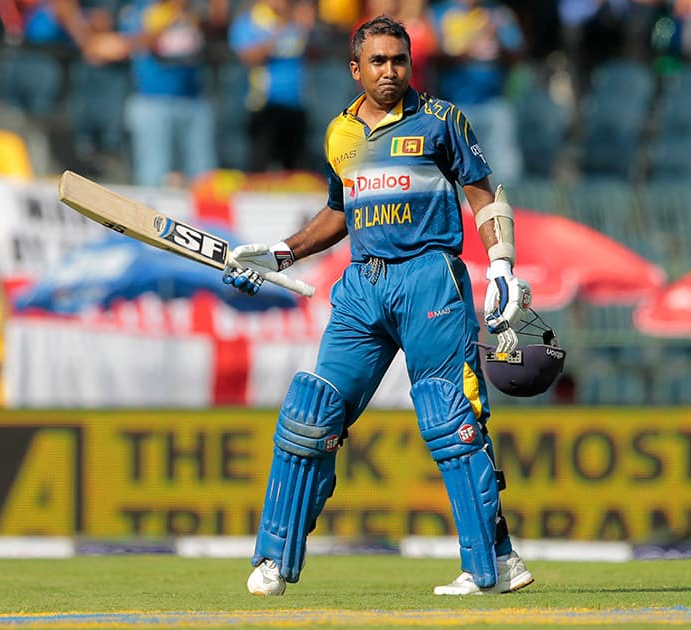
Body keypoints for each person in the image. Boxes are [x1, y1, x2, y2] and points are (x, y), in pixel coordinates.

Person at [222, 14, 535, 597]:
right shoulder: (340, 134)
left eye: (398, 60)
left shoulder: (442, 120)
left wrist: (502, 265)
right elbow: (340, 213)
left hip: (430, 280)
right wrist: (282, 253)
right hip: (362, 287)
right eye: (378, 61)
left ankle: (490, 566)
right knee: (310, 413)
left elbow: (485, 196)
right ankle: (273, 560)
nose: (389, 70)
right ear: (355, 69)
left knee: (450, 417)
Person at [117, 0, 223, 186]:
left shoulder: (194, 10)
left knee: (204, 174)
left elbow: (218, 26)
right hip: (153, 102)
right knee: (153, 173)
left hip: (194, 99)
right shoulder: (141, 9)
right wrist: (172, 14)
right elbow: (138, 43)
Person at [429, 0, 526, 183]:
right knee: (458, 169)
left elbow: (518, 55)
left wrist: (497, 37)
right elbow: (432, 57)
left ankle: (505, 210)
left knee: (506, 169)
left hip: (495, 102)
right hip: (455, 105)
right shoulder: (440, 13)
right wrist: (468, 45)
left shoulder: (499, 13)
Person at [229, 0, 316, 172]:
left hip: (295, 104)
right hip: (263, 105)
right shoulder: (250, 22)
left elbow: (316, 53)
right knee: (259, 165)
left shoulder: (297, 22)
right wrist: (280, 32)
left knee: (294, 167)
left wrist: (306, 29)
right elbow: (248, 56)